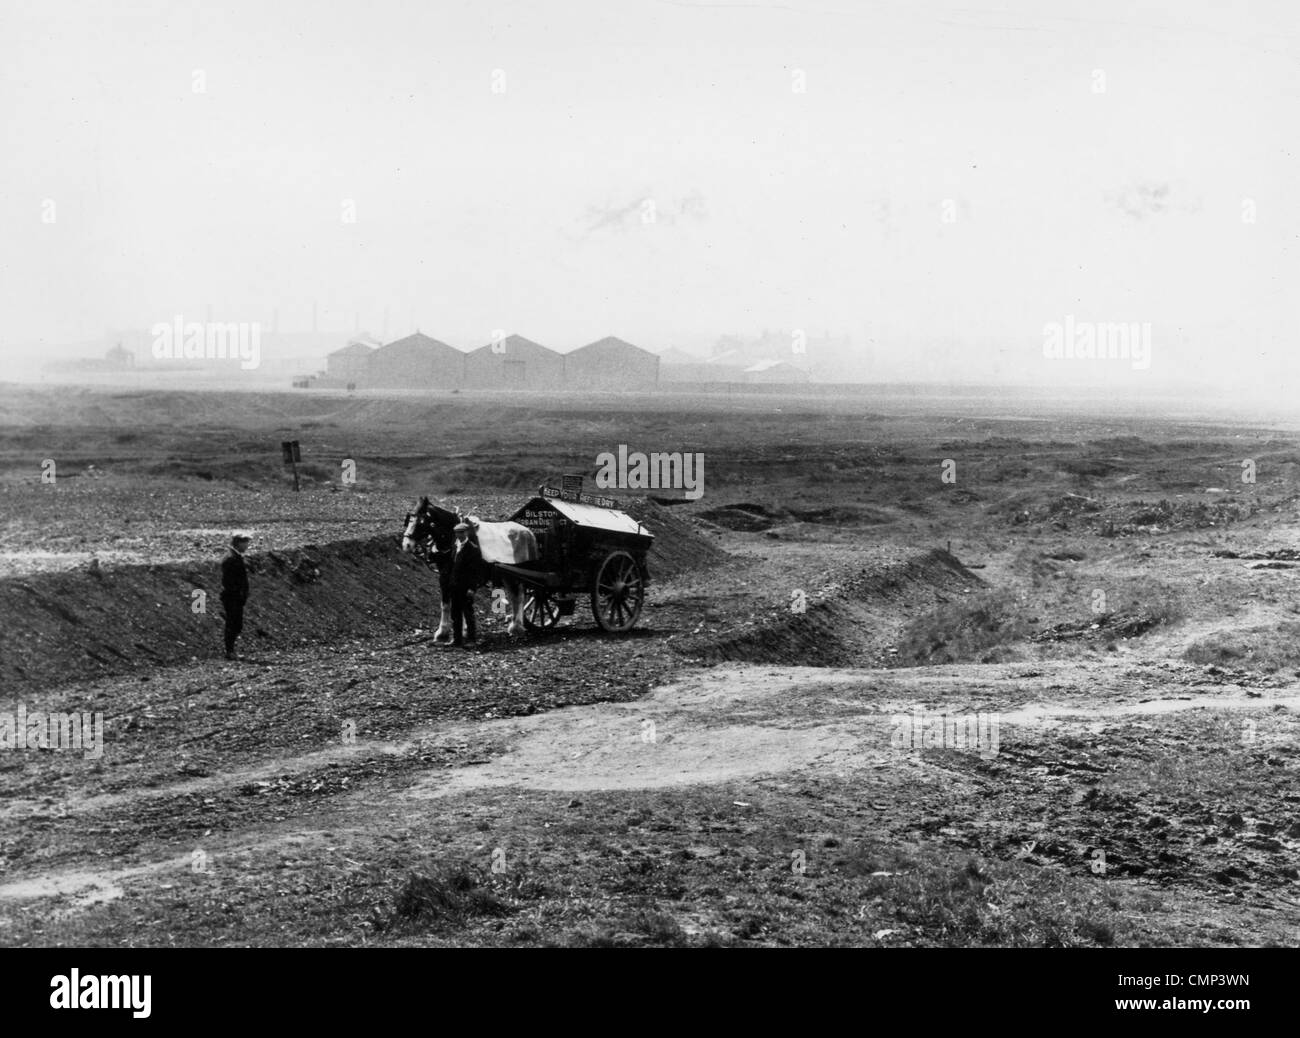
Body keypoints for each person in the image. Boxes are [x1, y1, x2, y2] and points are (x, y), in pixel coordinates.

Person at [448, 522, 481, 647]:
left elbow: (475, 571)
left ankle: (471, 640)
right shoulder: (455, 547)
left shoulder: (472, 549)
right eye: (457, 533)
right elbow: (453, 566)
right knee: (455, 613)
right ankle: (457, 639)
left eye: (461, 532)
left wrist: (472, 588)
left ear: (466, 533)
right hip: (455, 586)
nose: (459, 535)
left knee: (468, 613)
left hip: (465, 587)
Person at [221, 533, 252, 660]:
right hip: (232, 597)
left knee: (236, 624)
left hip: (236, 597)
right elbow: (228, 581)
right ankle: (229, 651)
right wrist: (238, 593)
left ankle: (231, 650)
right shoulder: (231, 558)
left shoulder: (235, 557)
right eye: (245, 542)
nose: (247, 545)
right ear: (238, 543)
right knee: (233, 623)